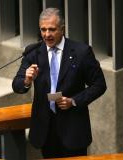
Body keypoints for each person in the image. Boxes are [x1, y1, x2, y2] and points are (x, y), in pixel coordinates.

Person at [12, 7, 106, 158]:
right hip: (46, 130)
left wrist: (73, 101)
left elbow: (99, 85)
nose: (47, 34)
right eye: (43, 30)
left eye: (52, 29)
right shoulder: (33, 52)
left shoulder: (81, 52)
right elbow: (17, 86)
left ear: (62, 29)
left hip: (73, 130)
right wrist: (27, 80)